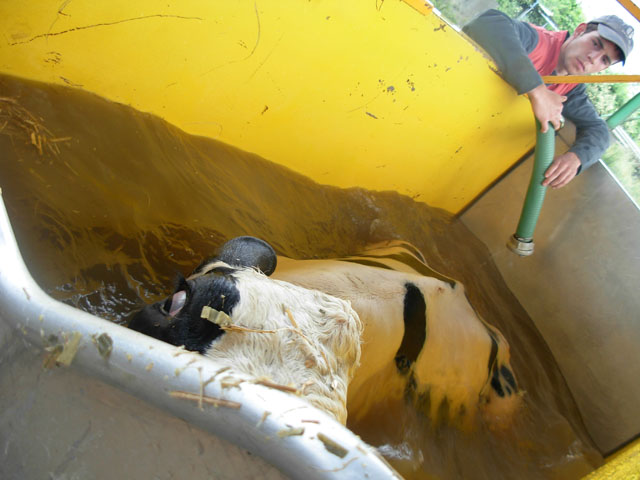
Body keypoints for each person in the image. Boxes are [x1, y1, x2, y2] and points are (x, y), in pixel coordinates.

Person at [463, 9, 634, 188]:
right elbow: (487, 23)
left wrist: (576, 158)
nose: (593, 58)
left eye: (605, 60)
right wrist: (537, 89)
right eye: (596, 44)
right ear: (579, 31)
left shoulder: (572, 90)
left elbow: (599, 131)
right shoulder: (539, 41)